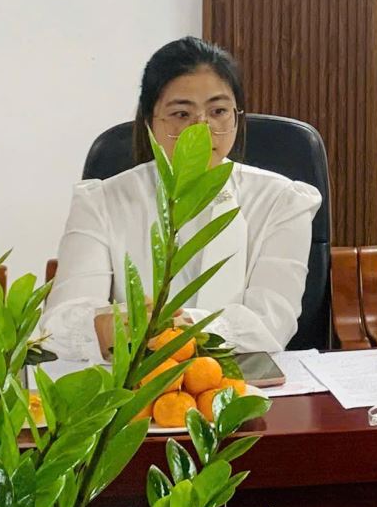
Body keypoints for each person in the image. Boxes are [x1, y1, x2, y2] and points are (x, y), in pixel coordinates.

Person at [43, 37, 322, 360]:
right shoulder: (101, 202)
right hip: (134, 379)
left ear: (237, 116)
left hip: (241, 379)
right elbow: (60, 325)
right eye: (180, 113)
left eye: (219, 111)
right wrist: (112, 328)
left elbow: (271, 323)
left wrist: (170, 329)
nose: (201, 129)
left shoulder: (282, 201)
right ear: (150, 122)